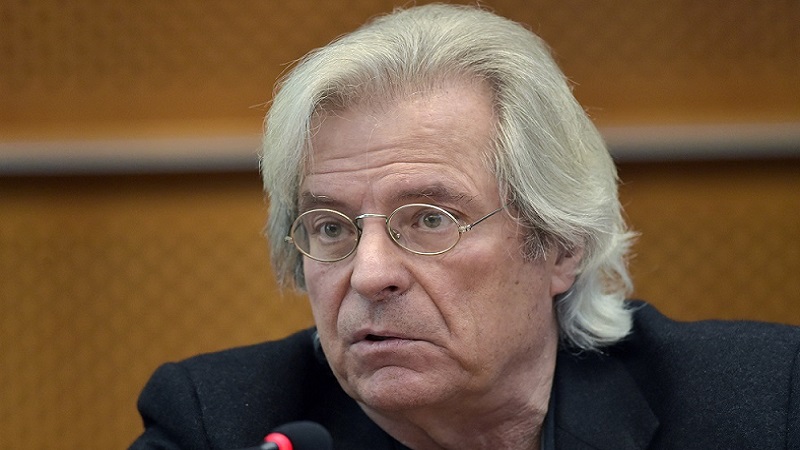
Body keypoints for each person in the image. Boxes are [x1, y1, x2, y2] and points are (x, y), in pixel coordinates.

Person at [130, 4, 800, 449]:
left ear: (560, 243)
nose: (369, 274)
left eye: (430, 219)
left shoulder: (764, 406)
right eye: (331, 228)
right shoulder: (220, 426)